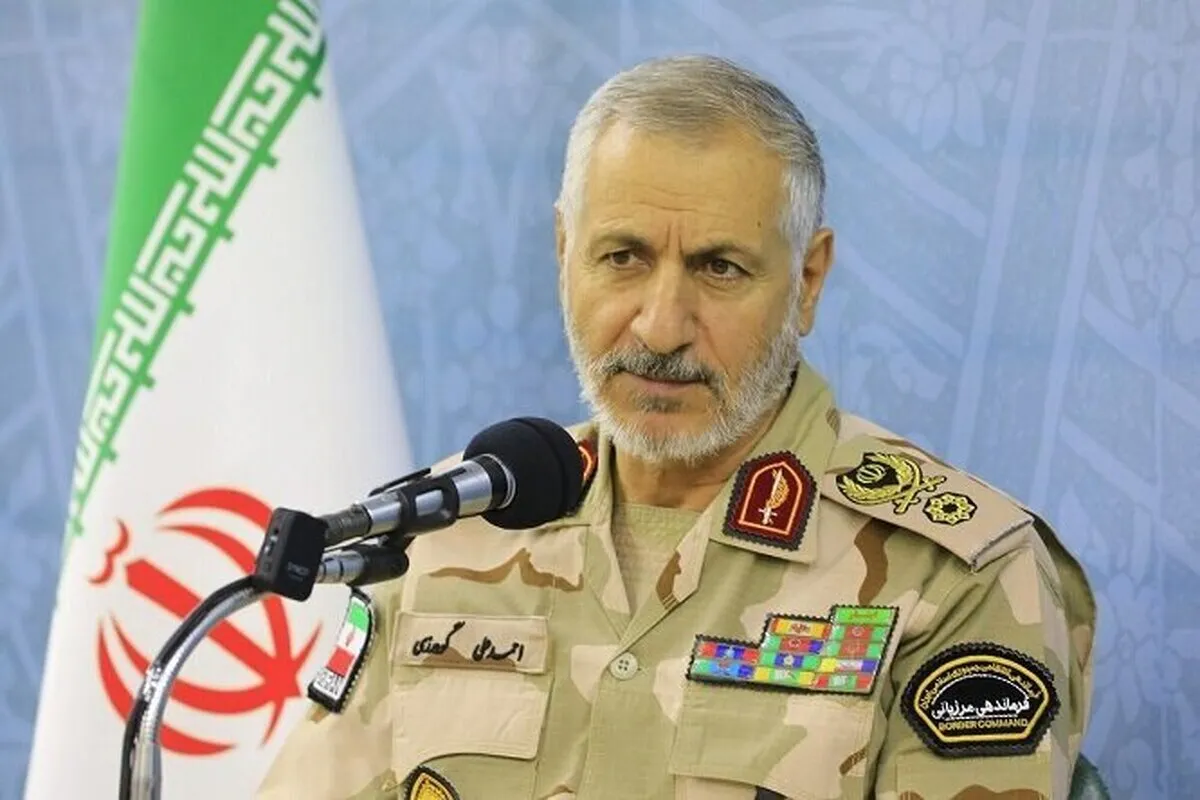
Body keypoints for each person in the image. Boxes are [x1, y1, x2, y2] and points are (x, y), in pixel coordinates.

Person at [257, 54, 1096, 800]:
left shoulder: (955, 577)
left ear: (807, 281)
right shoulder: (449, 534)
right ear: (564, 253)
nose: (660, 328)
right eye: (622, 257)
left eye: (719, 267)